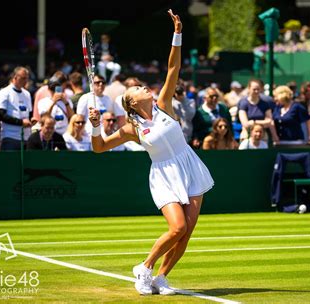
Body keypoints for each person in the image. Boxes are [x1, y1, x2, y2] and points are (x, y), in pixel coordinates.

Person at [88, 10, 213, 295]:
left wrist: (177, 33)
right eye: (138, 88)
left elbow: (173, 68)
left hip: (190, 166)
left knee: (187, 233)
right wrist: (96, 127)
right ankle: (144, 269)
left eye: (143, 86)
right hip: (164, 175)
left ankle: (161, 278)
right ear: (131, 103)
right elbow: (99, 147)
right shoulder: (132, 128)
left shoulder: (165, 104)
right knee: (177, 228)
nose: (145, 87)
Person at [0, 66, 33, 150]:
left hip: (26, 138)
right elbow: (1, 116)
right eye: (23, 78)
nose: (25, 81)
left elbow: (29, 115)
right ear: (15, 77)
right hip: (10, 137)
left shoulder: (27, 94)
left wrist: (32, 120)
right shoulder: (4, 93)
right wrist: (21, 122)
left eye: (27, 78)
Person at [238, 79, 279, 143]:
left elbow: (269, 121)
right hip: (247, 136)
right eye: (254, 89)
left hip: (262, 136)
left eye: (258, 89)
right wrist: (263, 122)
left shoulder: (265, 103)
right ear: (249, 89)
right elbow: (245, 124)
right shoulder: (243, 103)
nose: (256, 91)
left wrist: (254, 122)